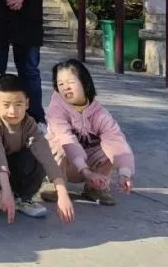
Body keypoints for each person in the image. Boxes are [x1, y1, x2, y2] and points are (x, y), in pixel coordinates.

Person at [0, 74, 74, 224]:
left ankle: (23, 198)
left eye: (18, 104)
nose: (13, 111)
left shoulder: (29, 124)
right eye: (6, 105)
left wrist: (62, 192)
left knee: (37, 153)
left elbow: (46, 156)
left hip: (9, 171)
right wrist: (5, 191)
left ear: (27, 103)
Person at [44, 59, 135, 206]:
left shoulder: (100, 113)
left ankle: (96, 187)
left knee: (110, 148)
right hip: (66, 165)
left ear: (85, 83)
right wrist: (86, 171)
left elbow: (116, 141)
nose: (66, 87)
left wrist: (125, 173)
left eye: (71, 82)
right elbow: (66, 138)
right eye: (60, 84)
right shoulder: (56, 109)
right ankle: (55, 184)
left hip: (89, 166)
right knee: (60, 144)